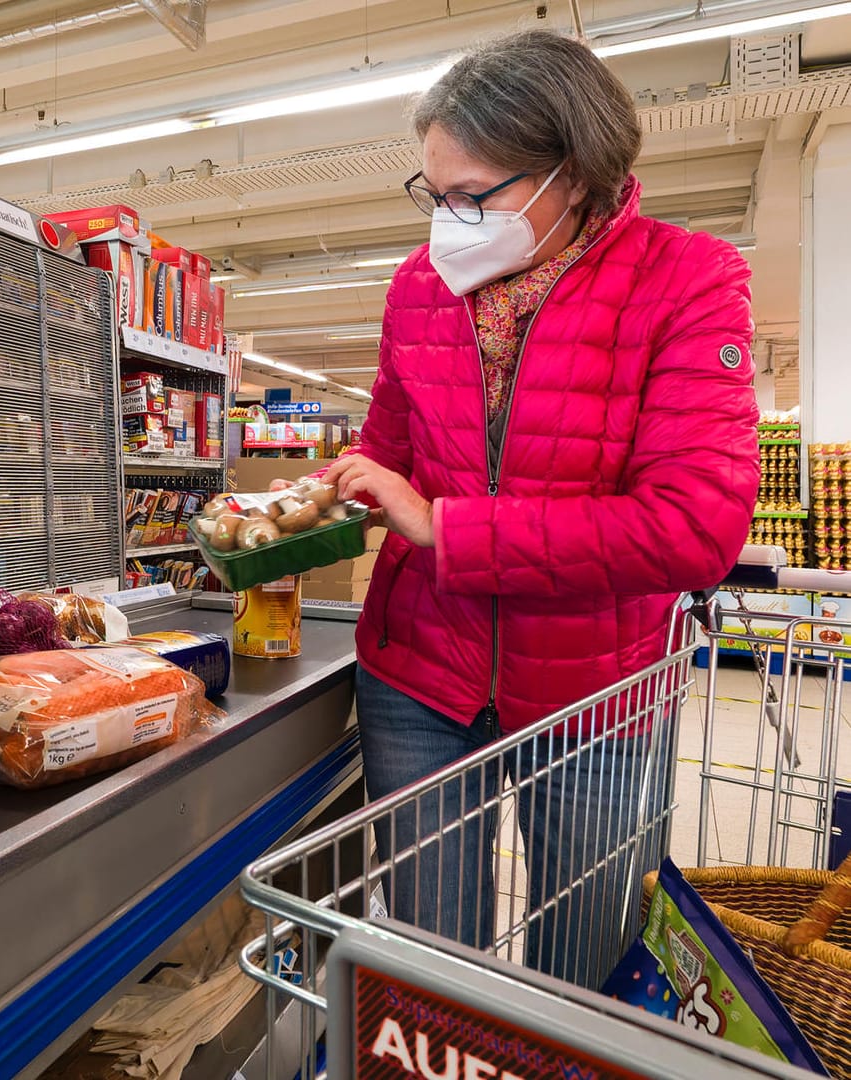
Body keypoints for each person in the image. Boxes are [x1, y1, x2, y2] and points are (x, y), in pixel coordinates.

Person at [322, 29, 759, 989]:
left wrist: (445, 527)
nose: (451, 221)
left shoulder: (686, 279)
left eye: (476, 196)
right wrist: (339, 489)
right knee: (437, 968)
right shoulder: (417, 288)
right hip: (419, 676)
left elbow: (697, 525)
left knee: (583, 981)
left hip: (595, 696)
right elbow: (388, 450)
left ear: (576, 170)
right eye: (435, 197)